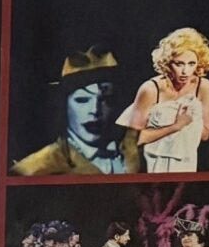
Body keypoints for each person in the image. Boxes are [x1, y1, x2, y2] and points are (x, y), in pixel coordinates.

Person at [11, 48, 143, 176]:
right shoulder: (36, 168)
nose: (95, 110)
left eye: (106, 100)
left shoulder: (140, 149)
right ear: (64, 106)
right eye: (82, 100)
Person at [120, 27, 209, 174]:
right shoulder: (150, 89)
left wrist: (189, 123)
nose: (185, 71)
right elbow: (131, 141)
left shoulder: (204, 87)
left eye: (191, 64)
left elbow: (204, 135)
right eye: (179, 64)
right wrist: (176, 126)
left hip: (186, 164)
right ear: (167, 63)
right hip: (150, 165)